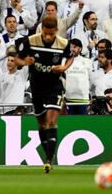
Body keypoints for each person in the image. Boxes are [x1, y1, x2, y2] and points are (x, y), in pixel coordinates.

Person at [15, 16, 75, 173]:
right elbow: (17, 60)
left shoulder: (63, 43)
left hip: (56, 84)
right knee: (41, 123)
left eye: (51, 34)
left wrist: (64, 68)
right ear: (42, 30)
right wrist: (25, 62)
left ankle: (49, 159)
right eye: (45, 34)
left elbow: (70, 57)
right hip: (37, 86)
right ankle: (48, 155)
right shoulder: (30, 41)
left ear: (56, 30)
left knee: (50, 120)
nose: (48, 37)